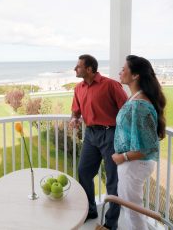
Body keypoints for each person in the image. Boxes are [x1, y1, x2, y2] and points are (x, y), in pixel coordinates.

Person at [70, 54, 127, 229]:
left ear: (89, 69)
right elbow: (76, 111)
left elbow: (126, 110)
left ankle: (111, 224)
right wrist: (74, 119)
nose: (75, 69)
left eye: (78, 66)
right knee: (84, 172)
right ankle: (91, 210)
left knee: (112, 180)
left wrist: (123, 136)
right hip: (90, 135)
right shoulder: (78, 88)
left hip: (110, 135)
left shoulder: (110, 85)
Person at [111, 55, 166, 230]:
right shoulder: (135, 98)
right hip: (133, 164)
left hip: (134, 164)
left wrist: (123, 157)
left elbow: (149, 146)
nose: (120, 72)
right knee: (129, 209)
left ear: (135, 75)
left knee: (133, 213)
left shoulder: (140, 105)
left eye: (123, 69)